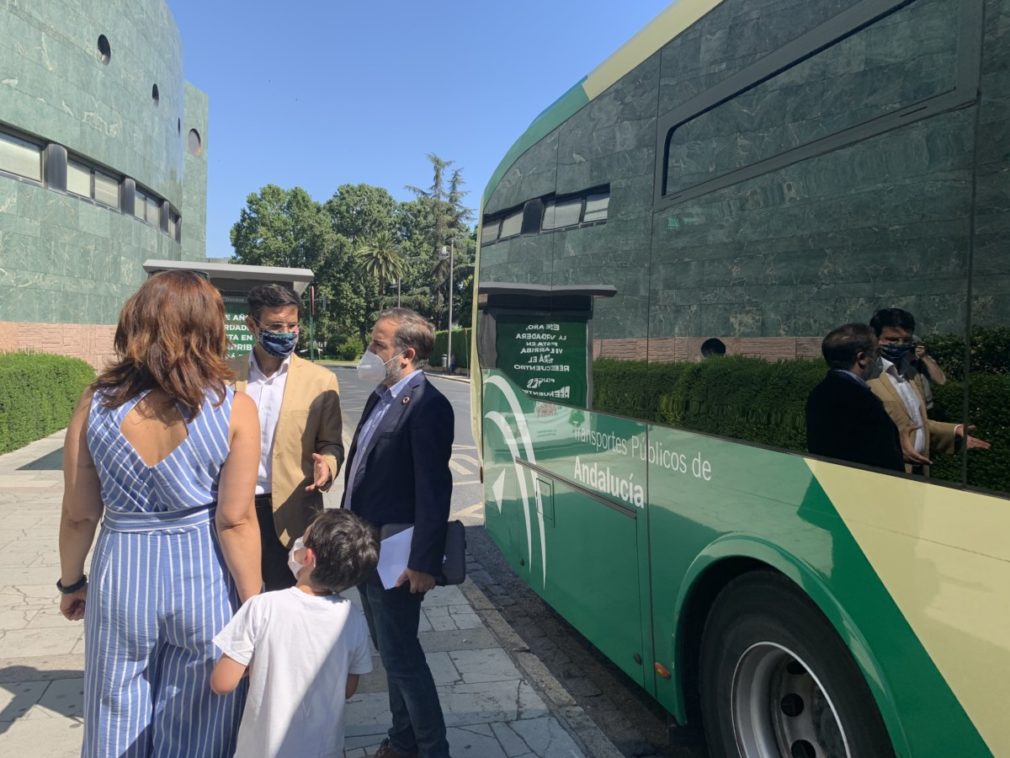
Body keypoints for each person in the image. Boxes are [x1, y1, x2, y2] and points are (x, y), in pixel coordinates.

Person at [58, 270, 262, 757]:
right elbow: (235, 520)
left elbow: (79, 513)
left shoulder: (95, 402)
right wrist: (255, 609)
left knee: (113, 708)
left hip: (122, 571)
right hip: (203, 574)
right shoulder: (236, 408)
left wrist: (71, 582)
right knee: (200, 718)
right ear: (209, 328)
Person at [343, 307, 454, 758]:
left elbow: (434, 489)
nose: (370, 352)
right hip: (368, 551)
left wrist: (424, 562)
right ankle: (402, 742)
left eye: (378, 345)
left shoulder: (428, 406)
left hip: (399, 557)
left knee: (404, 659)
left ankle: (431, 750)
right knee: (391, 655)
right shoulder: (381, 395)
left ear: (406, 354)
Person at [211, 508, 379, 757]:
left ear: (307, 557)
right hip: (325, 749)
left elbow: (222, 683)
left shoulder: (262, 607)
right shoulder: (352, 618)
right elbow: (348, 688)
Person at [232, 283, 345, 590]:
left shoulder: (321, 381)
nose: (286, 333)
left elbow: (331, 443)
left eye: (292, 325)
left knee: (289, 607)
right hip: (234, 509)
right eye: (275, 326)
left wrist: (328, 466)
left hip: (293, 513)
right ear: (252, 325)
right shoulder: (223, 376)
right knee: (238, 602)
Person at [868, 307, 990, 472]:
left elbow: (916, 423)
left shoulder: (911, 374)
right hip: (887, 472)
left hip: (919, 468)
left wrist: (953, 431)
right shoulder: (868, 377)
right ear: (875, 338)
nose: (899, 344)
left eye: (906, 340)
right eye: (892, 339)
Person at [806, 323, 904, 471]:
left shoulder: (820, 391)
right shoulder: (860, 399)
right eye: (877, 353)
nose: (880, 359)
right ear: (862, 358)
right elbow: (879, 454)